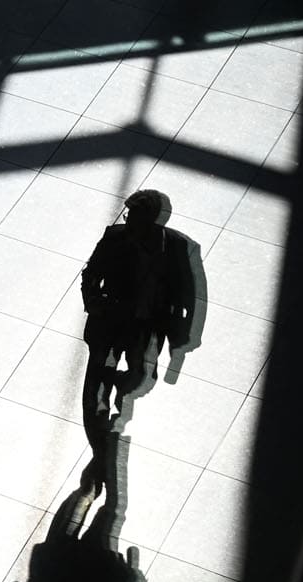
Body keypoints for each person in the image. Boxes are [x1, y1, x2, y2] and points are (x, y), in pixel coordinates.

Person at [78, 189, 196, 488]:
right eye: (128, 214)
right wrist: (93, 302)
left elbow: (185, 295)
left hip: (143, 326)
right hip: (109, 323)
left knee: (139, 377)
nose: (128, 220)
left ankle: (117, 388)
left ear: (151, 219)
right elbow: (91, 273)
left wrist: (179, 335)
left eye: (135, 216)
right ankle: (99, 448)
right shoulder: (115, 237)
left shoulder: (175, 247)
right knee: (94, 391)